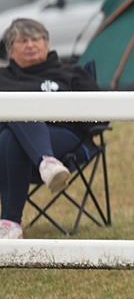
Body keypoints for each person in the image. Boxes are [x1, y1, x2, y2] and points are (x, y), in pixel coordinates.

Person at [0, 18, 101, 240]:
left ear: (46, 44)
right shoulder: (2, 78)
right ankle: (46, 163)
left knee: (12, 132)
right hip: (7, 145)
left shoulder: (71, 72)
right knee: (13, 128)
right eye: (23, 40)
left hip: (65, 140)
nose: (31, 45)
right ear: (10, 49)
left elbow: (97, 113)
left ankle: (9, 222)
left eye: (36, 39)